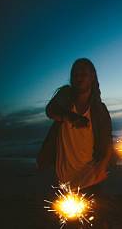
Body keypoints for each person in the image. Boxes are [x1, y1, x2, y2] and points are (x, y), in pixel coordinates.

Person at [38, 58, 113, 191]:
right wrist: (70, 117)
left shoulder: (99, 110)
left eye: (83, 74)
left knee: (93, 211)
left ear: (92, 77)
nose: (78, 77)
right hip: (61, 177)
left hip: (89, 177)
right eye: (75, 74)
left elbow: (107, 141)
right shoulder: (65, 96)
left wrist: (102, 166)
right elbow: (51, 110)